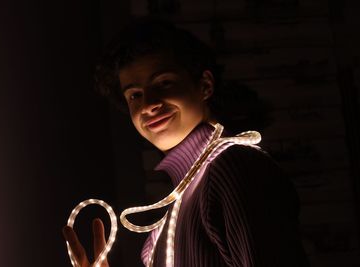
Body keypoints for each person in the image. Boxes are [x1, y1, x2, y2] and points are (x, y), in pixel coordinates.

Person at [63, 18, 309, 267]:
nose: (149, 105)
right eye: (135, 95)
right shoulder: (167, 221)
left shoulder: (233, 167)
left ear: (205, 85)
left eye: (164, 83)